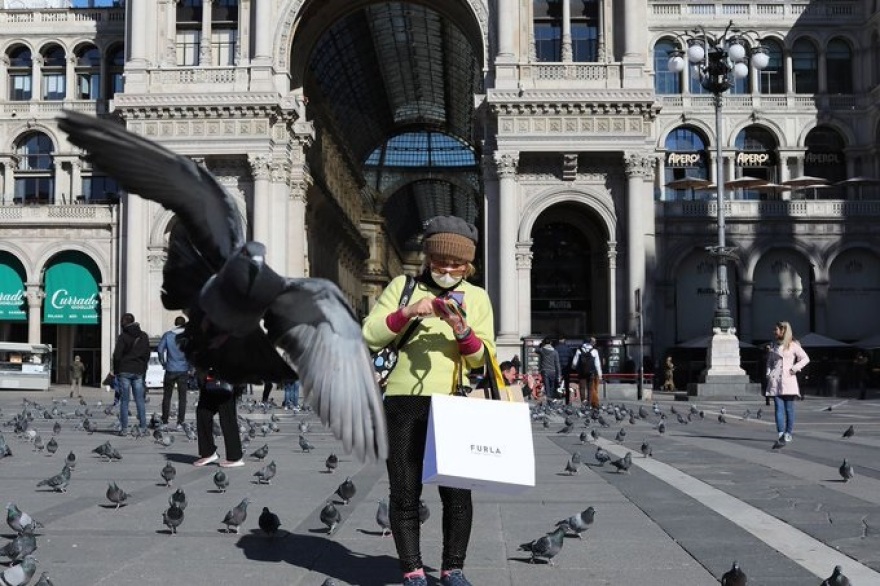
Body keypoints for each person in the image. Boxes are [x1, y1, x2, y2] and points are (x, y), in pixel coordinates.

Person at [362, 215, 494, 586]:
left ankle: (453, 568)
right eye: (440, 262)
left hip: (454, 401)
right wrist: (406, 313)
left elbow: (482, 358)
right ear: (428, 258)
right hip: (402, 400)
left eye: (457, 264)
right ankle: (413, 569)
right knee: (404, 490)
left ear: (468, 265)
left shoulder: (477, 297)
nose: (448, 270)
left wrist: (462, 330)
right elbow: (369, 334)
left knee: (457, 494)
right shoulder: (403, 286)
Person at [765, 321, 810, 445]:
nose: (774, 332)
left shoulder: (793, 345)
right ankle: (781, 433)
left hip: (788, 379)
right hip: (775, 380)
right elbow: (769, 362)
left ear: (783, 330)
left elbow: (805, 358)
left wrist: (795, 368)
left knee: (789, 409)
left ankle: (788, 433)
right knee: (778, 408)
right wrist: (768, 373)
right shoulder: (774, 345)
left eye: (776, 329)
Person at [193, 368, 245, 468]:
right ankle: (208, 452)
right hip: (209, 380)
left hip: (227, 379)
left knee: (227, 417)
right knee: (202, 413)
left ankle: (235, 457)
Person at [112, 312, 151, 435]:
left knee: (124, 401)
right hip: (138, 370)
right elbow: (147, 354)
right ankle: (143, 427)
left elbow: (117, 355)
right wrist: (143, 368)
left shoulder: (123, 336)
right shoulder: (143, 336)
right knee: (140, 400)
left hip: (124, 370)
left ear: (124, 322)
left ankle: (124, 429)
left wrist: (116, 371)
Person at [157, 316, 191, 430]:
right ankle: (180, 422)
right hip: (183, 369)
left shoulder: (168, 335)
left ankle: (165, 421)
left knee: (167, 396)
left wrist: (163, 362)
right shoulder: (187, 337)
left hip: (170, 368)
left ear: (175, 323)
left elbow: (160, 350)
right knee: (182, 398)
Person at [572, 337, 603, 408]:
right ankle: (589, 404)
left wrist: (574, 368)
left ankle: (583, 402)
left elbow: (574, 363)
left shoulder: (579, 350)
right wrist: (600, 375)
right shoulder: (594, 351)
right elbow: (597, 364)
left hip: (581, 372)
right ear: (590, 342)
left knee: (582, 387)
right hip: (591, 372)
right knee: (590, 388)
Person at [535, 337, 561, 404]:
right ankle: (550, 400)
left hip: (545, 371)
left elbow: (536, 350)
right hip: (553, 371)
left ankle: (549, 400)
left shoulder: (542, 350)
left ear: (544, 342)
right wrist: (559, 374)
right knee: (552, 386)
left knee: (547, 387)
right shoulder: (555, 352)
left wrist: (541, 344)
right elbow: (557, 364)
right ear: (551, 343)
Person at [555, 338, 575, 404]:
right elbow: (572, 358)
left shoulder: (556, 348)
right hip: (566, 369)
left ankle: (556, 399)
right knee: (567, 384)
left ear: (559, 341)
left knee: (557, 383)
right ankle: (567, 401)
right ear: (564, 341)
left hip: (558, 368)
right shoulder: (568, 348)